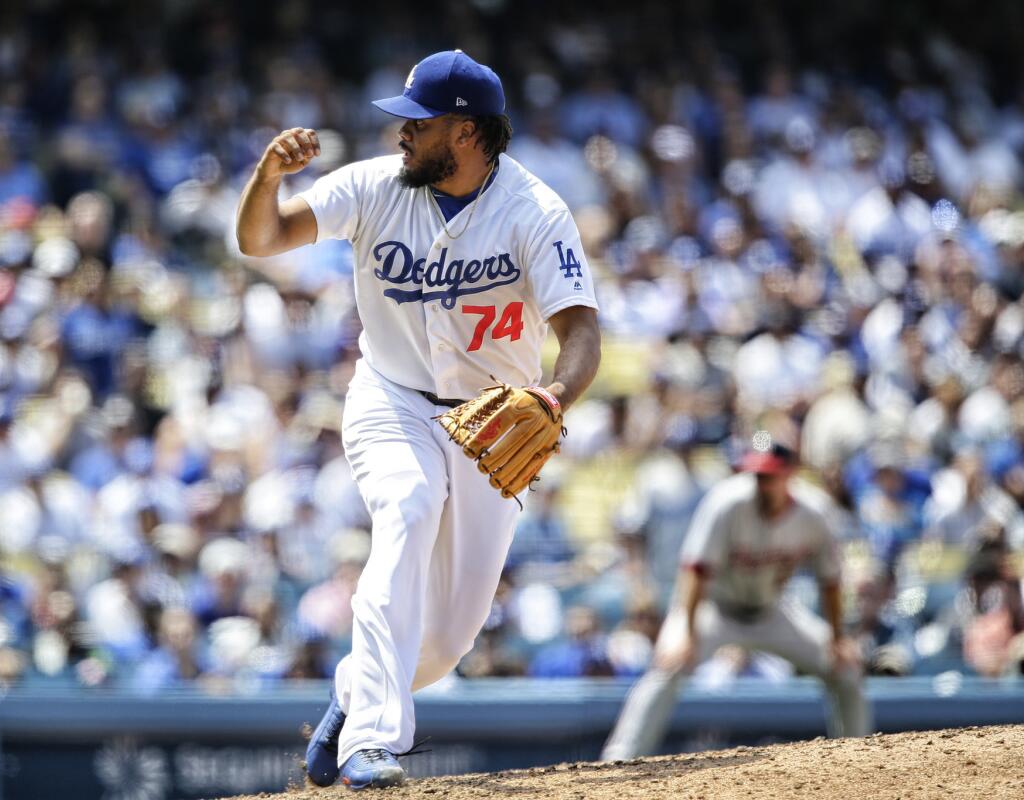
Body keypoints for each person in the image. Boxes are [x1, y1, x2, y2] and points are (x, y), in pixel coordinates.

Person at [236, 50, 601, 789]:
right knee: (404, 510)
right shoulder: (374, 185)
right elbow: (261, 240)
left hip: (491, 424)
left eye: (419, 122)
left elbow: (583, 334)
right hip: (391, 398)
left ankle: (353, 696)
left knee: (442, 645)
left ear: (466, 132)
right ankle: (372, 741)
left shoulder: (535, 211)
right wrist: (268, 178)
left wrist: (553, 397)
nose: (402, 134)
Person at [600, 433, 871, 761]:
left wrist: (838, 638)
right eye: (755, 474)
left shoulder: (814, 512)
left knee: (844, 668)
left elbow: (830, 580)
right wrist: (684, 633)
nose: (760, 482)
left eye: (769, 475)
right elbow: (695, 572)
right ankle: (618, 761)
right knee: (667, 664)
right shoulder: (726, 502)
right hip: (716, 609)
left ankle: (857, 758)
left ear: (790, 473)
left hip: (773, 611)